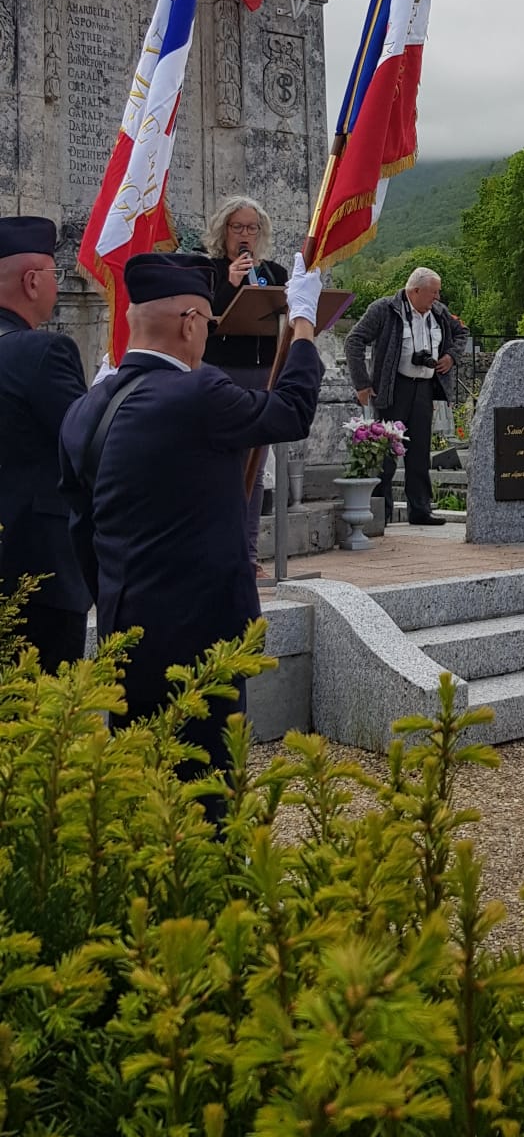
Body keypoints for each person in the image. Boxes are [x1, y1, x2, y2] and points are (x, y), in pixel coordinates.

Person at [59, 250, 323, 778]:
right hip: (202, 642)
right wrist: (304, 322)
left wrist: (116, 596)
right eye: (207, 322)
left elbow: (80, 529)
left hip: (124, 633)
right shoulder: (198, 392)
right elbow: (291, 410)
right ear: (189, 322)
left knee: (140, 781)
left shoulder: (87, 405)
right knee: (209, 790)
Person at [0, 215, 91, 670]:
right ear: (33, 281)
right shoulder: (43, 354)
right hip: (37, 574)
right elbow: (89, 445)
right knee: (47, 724)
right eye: (54, 274)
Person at [203, 196, 288, 572]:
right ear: (223, 230)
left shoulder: (273, 272)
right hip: (224, 373)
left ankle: (249, 555)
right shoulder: (208, 272)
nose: (245, 235)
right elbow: (206, 323)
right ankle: (221, 551)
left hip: (264, 375)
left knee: (256, 465)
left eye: (252, 228)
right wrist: (230, 283)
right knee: (226, 465)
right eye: (238, 227)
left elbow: (288, 318)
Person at [345, 267, 467, 526]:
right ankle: (381, 511)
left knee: (420, 452)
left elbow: (461, 333)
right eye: (433, 292)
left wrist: (450, 356)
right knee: (385, 453)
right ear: (415, 291)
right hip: (393, 388)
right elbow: (354, 340)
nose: (437, 297)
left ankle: (420, 509)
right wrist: (362, 383)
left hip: (424, 387)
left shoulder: (439, 312)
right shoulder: (384, 309)